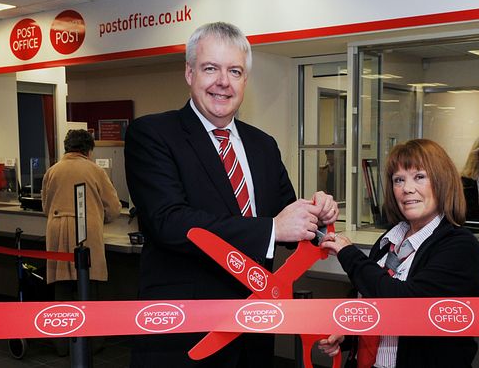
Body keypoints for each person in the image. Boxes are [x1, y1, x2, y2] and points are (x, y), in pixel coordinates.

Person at [124, 21, 338, 367]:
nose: (223, 81)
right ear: (189, 72)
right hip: (185, 331)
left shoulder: (263, 145)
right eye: (211, 68)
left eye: (234, 71)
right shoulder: (152, 134)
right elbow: (169, 222)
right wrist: (272, 229)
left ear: (245, 81)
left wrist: (318, 215)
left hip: (254, 327)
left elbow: (288, 220)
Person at [318, 139, 479, 368]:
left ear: (442, 182)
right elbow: (370, 301)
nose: (407, 188)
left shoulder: (460, 247)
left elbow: (403, 304)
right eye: (399, 180)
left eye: (419, 177)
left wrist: (350, 255)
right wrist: (348, 334)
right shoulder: (390, 239)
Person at [41, 129, 122, 356]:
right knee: (89, 286)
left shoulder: (52, 171)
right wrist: (101, 217)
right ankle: (92, 343)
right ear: (88, 150)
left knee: (62, 287)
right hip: (86, 230)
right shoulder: (95, 170)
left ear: (67, 147)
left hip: (56, 229)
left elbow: (45, 206)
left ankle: (61, 344)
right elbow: (114, 208)